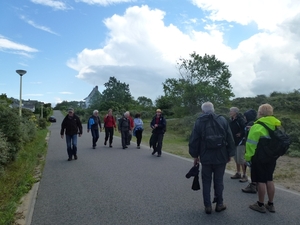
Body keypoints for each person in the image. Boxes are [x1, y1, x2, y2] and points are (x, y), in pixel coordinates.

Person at [189, 102, 235, 214]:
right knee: (219, 181)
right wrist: (229, 154)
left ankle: (208, 206)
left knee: (206, 181)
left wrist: (195, 156)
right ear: (213, 110)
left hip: (206, 156)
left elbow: (194, 140)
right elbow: (230, 138)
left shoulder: (199, 122)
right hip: (221, 155)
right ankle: (220, 204)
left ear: (202, 111)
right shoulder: (223, 120)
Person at [245, 104, 280, 213]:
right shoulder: (277, 124)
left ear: (260, 112)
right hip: (272, 157)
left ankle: (260, 204)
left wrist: (248, 158)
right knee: (269, 179)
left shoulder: (256, 126)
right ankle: (270, 204)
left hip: (259, 157)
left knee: (261, 181)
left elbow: (251, 144)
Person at [241, 109, 258, 193]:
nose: (244, 117)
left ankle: (253, 185)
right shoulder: (255, 123)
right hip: (254, 149)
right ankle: (256, 184)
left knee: (252, 167)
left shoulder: (250, 124)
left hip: (250, 149)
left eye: (245, 116)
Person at [229, 107, 247, 181]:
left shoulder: (240, 119)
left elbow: (245, 128)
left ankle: (245, 175)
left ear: (235, 112)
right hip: (234, 141)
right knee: (236, 158)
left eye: (231, 111)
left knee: (241, 158)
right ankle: (238, 173)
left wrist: (241, 133)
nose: (230, 112)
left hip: (241, 141)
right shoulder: (231, 120)